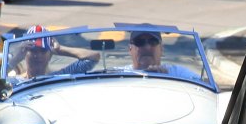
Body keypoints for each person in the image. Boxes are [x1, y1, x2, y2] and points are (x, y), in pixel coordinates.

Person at [48, 30, 199, 79]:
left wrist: (167, 78)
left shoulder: (177, 73)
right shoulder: (119, 75)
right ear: (130, 49)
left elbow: (207, 88)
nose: (147, 47)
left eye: (152, 42)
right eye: (140, 42)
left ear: (162, 49)